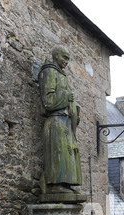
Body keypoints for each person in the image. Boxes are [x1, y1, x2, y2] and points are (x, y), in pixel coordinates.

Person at [38, 45, 82, 194]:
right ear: (56, 56)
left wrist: (75, 112)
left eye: (68, 58)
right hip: (55, 122)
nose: (66, 61)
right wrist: (65, 97)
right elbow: (47, 101)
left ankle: (66, 184)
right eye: (64, 57)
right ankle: (56, 185)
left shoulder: (61, 75)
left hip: (65, 123)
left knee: (68, 155)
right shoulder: (49, 71)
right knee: (59, 154)